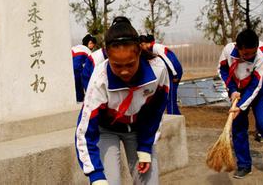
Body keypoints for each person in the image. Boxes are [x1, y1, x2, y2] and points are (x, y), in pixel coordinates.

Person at [75, 16, 169, 185]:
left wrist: (146, 146)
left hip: (138, 130)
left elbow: (156, 112)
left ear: (140, 53)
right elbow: (85, 130)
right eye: (117, 65)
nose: (125, 72)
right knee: (109, 182)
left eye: (130, 64)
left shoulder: (158, 70)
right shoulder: (100, 79)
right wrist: (96, 175)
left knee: (149, 182)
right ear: (107, 56)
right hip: (107, 130)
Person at [218, 29, 263, 179]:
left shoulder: (261, 58)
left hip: (258, 90)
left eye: (253, 53)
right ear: (238, 48)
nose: (250, 56)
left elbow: (255, 86)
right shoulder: (228, 51)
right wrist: (232, 90)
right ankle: (244, 165)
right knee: (238, 126)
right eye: (246, 54)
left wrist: (240, 106)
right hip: (238, 89)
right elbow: (222, 70)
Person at [140, 35, 183, 115]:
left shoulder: (156, 47)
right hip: (171, 70)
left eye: (142, 45)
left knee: (171, 95)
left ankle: (173, 114)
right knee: (169, 96)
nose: (142, 48)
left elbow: (168, 60)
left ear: (145, 43)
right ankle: (176, 114)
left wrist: (174, 75)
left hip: (174, 69)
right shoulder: (152, 49)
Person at [71, 34, 97, 102]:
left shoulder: (74, 47)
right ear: (89, 43)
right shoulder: (88, 51)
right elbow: (91, 67)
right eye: (92, 43)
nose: (93, 46)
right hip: (77, 70)